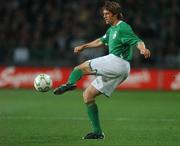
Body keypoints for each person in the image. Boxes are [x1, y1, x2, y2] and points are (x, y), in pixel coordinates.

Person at [54, 1, 151, 139]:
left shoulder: (123, 27)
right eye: (103, 14)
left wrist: (143, 49)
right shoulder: (111, 30)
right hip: (122, 69)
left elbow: (137, 40)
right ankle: (98, 132)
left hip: (117, 61)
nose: (104, 16)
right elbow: (101, 41)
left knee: (78, 69)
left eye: (107, 14)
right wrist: (84, 46)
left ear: (115, 15)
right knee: (88, 95)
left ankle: (69, 84)